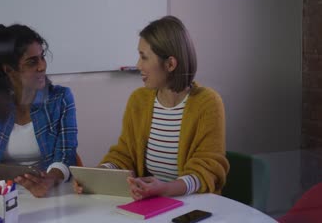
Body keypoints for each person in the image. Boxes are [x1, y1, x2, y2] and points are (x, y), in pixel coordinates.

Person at [74, 16, 229, 200]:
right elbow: (124, 155)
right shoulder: (138, 100)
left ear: (170, 64)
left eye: (144, 57)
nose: (139, 65)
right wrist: (98, 175)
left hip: (193, 205)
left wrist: (166, 189)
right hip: (151, 203)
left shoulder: (207, 102)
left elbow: (207, 169)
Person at [0, 23, 78, 197]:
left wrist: (49, 180)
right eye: (32, 62)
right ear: (8, 70)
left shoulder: (60, 98)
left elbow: (66, 155)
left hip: (46, 194)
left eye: (42, 57)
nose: (42, 66)